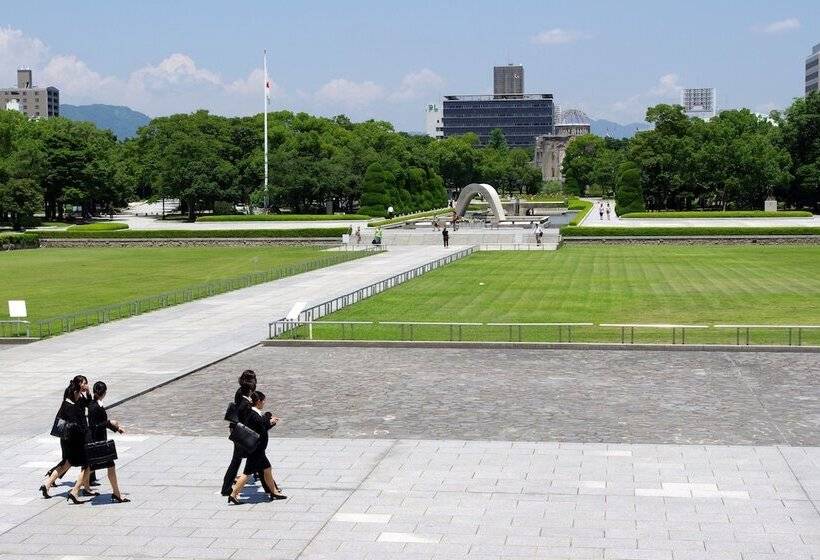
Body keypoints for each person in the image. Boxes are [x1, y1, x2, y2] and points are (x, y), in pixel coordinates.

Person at [228, 391, 287, 504]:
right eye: (263, 401)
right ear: (259, 401)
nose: (264, 403)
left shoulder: (253, 413)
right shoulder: (254, 415)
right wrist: (270, 421)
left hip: (258, 449)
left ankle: (274, 491)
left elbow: (262, 427)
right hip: (256, 450)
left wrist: (270, 422)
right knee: (247, 473)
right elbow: (262, 427)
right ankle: (233, 494)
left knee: (267, 469)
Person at [40, 378, 92, 503]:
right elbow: (76, 424)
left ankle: (47, 485)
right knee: (87, 464)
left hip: (67, 438)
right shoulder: (71, 405)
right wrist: (86, 433)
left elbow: (88, 404)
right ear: (78, 386)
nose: (86, 385)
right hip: (75, 439)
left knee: (67, 463)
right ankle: (75, 492)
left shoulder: (75, 399)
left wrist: (88, 392)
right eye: (84, 383)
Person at [87, 381, 130, 503]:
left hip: (99, 440)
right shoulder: (95, 406)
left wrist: (115, 428)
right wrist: (110, 423)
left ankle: (116, 493)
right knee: (100, 467)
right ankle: (116, 494)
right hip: (98, 442)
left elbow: (100, 423)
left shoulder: (95, 404)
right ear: (105, 393)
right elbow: (95, 426)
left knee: (91, 468)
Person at [221, 370, 257, 496]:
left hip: (238, 429)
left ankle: (256, 473)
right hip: (240, 431)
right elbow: (242, 414)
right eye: (253, 379)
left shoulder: (242, 391)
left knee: (245, 457)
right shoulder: (243, 396)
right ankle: (226, 488)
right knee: (236, 460)